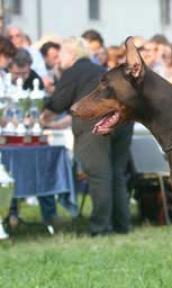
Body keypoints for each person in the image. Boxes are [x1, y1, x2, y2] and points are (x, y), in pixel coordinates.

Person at [42, 37, 133, 236]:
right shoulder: (99, 70)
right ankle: (122, 224)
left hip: (96, 123)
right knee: (116, 173)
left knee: (99, 174)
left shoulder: (74, 72)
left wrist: (42, 118)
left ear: (73, 54)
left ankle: (101, 227)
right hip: (123, 120)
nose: (58, 59)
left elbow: (58, 103)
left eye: (62, 54)